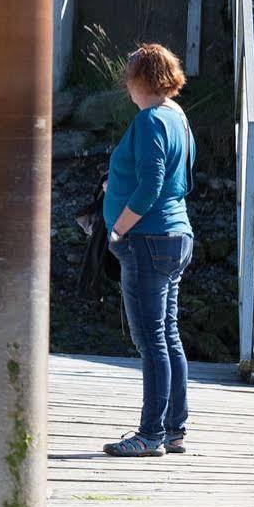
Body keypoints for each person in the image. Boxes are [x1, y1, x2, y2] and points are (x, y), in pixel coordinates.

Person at [101, 44, 196, 459]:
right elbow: (183, 179)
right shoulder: (178, 117)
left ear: (142, 81)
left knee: (151, 340)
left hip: (147, 241)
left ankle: (150, 434)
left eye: (130, 80)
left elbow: (151, 184)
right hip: (177, 237)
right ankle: (175, 429)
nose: (127, 88)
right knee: (168, 335)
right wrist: (113, 189)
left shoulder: (149, 120)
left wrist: (118, 230)